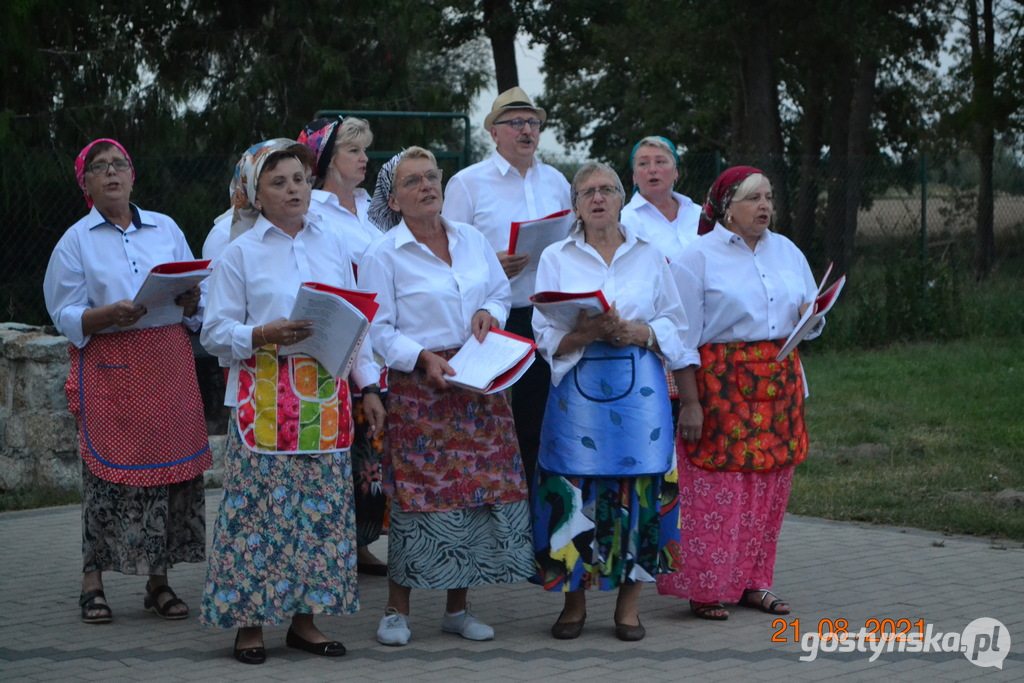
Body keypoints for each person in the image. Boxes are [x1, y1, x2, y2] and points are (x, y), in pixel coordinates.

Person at [199, 140, 386, 664]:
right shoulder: (239, 253)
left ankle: (305, 622)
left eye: (300, 179)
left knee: (318, 515)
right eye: (278, 182)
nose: (294, 190)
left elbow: (357, 324)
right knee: (255, 516)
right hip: (263, 399)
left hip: (326, 400)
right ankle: (249, 624)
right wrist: (262, 333)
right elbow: (213, 332)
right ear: (255, 194)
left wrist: (367, 386)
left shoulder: (331, 244)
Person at [359, 146, 533, 647]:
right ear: (394, 199)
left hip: (480, 388)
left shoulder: (472, 239)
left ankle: (459, 609)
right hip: (422, 391)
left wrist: (490, 315)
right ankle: (396, 611)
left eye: (432, 177)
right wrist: (422, 357)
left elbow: (500, 293)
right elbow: (378, 330)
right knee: (419, 500)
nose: (427, 186)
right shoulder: (383, 253)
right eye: (413, 181)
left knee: (473, 498)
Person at [43, 138, 211, 626]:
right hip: (111, 364)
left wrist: (190, 302)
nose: (112, 172)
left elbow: (192, 292)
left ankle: (158, 581)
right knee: (106, 480)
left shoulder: (166, 227)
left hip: (168, 361)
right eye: (100, 167)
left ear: (133, 175)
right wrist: (107, 315)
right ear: (86, 184)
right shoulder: (75, 241)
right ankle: (92, 580)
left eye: (120, 164)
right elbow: (64, 313)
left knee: (171, 476)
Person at [530, 162, 697, 642]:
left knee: (640, 490)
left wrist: (638, 331)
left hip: (640, 392)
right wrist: (586, 332)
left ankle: (628, 607)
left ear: (622, 199)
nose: (598, 197)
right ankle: (573, 603)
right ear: (575, 205)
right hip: (575, 394)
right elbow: (543, 334)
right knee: (572, 489)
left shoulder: (650, 254)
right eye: (588, 192)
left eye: (607, 189)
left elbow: (675, 324)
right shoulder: (556, 257)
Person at [656, 166, 821, 621]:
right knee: (718, 488)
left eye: (769, 197)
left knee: (768, 487)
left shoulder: (786, 251)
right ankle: (707, 587)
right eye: (753, 198)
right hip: (722, 386)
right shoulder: (698, 257)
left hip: (778, 382)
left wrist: (811, 313)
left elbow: (809, 315)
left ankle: (754, 583)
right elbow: (681, 338)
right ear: (727, 209)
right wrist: (690, 402)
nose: (765, 206)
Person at [442, 87, 572, 487]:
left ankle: (536, 525)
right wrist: (491, 266)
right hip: (496, 318)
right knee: (492, 422)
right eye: (515, 122)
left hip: (549, 314)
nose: (526, 130)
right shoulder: (468, 183)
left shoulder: (556, 181)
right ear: (494, 133)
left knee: (540, 420)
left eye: (532, 122)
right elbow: (446, 254)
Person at [298, 116, 388, 576]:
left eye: (365, 150)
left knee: (373, 454)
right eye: (354, 151)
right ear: (329, 159)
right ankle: (346, 542)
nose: (364, 159)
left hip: (381, 344)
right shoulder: (312, 209)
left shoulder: (371, 207)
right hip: (343, 346)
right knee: (353, 450)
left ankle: (365, 540)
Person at [619, 135, 702, 264]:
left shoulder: (699, 214)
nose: (652, 170)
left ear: (675, 172)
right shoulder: (624, 221)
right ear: (634, 177)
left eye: (660, 162)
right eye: (643, 163)